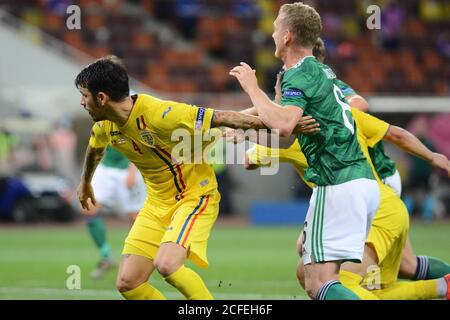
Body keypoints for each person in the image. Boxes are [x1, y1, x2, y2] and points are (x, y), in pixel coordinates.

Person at [75, 55, 316, 300]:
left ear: (102, 98)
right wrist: (85, 183)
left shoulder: (161, 114)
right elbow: (96, 148)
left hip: (194, 196)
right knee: (129, 283)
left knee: (167, 265)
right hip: (156, 204)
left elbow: (223, 118)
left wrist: (285, 126)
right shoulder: (105, 126)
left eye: (85, 95)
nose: (83, 102)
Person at [243, 38, 450, 299]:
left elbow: (253, 155)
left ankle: (441, 287)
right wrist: (433, 157)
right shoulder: (343, 110)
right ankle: (443, 286)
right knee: (404, 269)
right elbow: (394, 132)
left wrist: (244, 123)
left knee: (332, 282)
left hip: (364, 207)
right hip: (384, 201)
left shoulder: (301, 130)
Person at [231, 2, 380, 300]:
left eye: (275, 28)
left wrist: (251, 87)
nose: (271, 33)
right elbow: (286, 138)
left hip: (338, 182)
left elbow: (284, 126)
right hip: (357, 181)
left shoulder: (298, 73)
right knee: (306, 272)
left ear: (287, 36)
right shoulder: (321, 71)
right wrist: (243, 127)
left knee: (319, 283)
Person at [82, 145, 146, 279]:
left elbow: (139, 138)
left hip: (128, 168)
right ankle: (106, 256)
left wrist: (133, 170)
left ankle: (141, 262)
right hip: (105, 168)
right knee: (89, 208)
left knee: (137, 219)